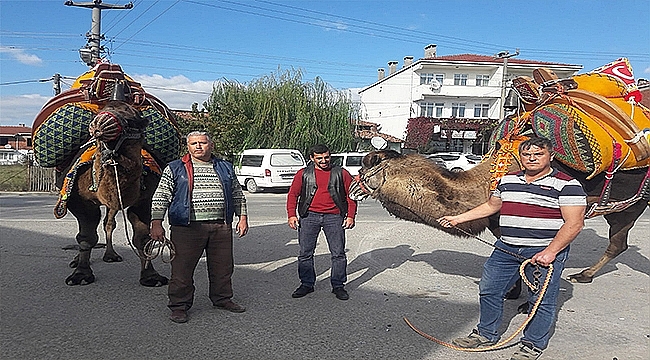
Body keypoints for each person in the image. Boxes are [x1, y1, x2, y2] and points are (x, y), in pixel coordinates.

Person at [437, 137, 587, 360]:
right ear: (521, 158)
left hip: (541, 252)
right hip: (505, 249)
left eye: (538, 154)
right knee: (489, 289)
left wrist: (551, 252)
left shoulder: (568, 185)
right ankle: (486, 334)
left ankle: (532, 344)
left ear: (551, 157)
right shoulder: (507, 180)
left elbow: (574, 223)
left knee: (540, 300)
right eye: (527, 155)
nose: (532, 158)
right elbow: (491, 205)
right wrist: (459, 219)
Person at [150, 131, 249, 323]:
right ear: (187, 146)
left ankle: (222, 299)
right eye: (193, 143)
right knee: (181, 270)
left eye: (202, 143)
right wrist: (156, 222)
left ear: (211, 145)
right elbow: (161, 196)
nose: (198, 146)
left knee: (223, 267)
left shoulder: (225, 167)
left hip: (221, 226)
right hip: (187, 228)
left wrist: (242, 217)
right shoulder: (175, 168)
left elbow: (237, 193)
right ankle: (179, 306)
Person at [286, 144, 358, 301]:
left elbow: (351, 195)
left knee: (338, 253)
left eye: (326, 157)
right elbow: (293, 195)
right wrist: (292, 215)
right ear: (312, 158)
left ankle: (338, 285)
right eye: (319, 158)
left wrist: (350, 216)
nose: (324, 161)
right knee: (305, 253)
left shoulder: (341, 173)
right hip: (308, 217)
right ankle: (306, 284)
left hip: (334, 217)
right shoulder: (303, 174)